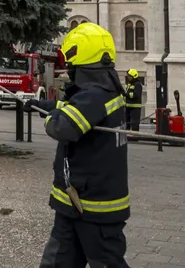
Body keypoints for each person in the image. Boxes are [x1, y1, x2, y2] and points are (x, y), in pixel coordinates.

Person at [31, 22, 129, 268]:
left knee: (105, 262)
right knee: (56, 262)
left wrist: (52, 118)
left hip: (93, 209)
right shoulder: (106, 90)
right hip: (75, 204)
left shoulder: (95, 94)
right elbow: (78, 112)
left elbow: (63, 127)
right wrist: (47, 107)